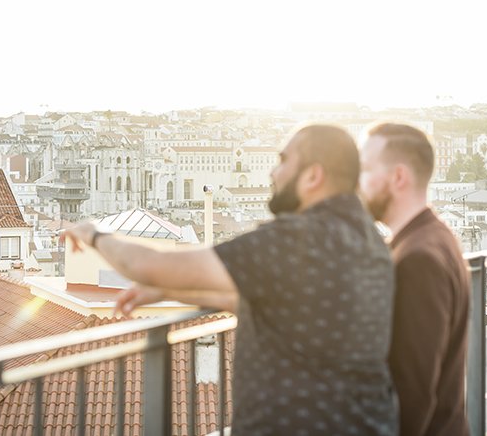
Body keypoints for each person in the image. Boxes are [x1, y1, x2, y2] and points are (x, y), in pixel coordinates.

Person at [84, 124, 397, 434]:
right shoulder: (372, 244)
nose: (274, 173)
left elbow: (148, 264)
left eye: (283, 160)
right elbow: (283, 306)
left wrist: (94, 234)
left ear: (313, 176)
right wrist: (169, 290)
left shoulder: (294, 240)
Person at [360, 122, 469, 435]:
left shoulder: (417, 259)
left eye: (366, 170)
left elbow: (413, 393)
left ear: (398, 177)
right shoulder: (436, 236)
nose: (359, 182)